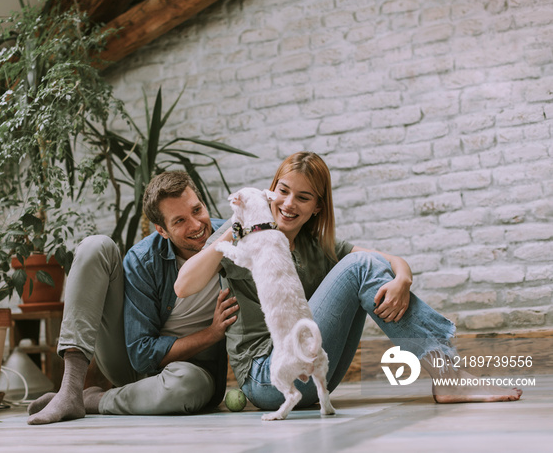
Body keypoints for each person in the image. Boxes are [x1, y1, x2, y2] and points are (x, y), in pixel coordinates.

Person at [175, 151, 522, 411]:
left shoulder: (318, 247)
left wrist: (403, 278)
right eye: (283, 191)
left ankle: (447, 374)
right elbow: (184, 286)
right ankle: (447, 374)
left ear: (317, 208)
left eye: (304, 197)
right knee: (359, 266)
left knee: (365, 266)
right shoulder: (243, 234)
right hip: (268, 378)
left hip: (316, 370)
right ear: (270, 192)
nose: (289, 203)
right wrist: (232, 233)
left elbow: (388, 260)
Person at [27, 171, 238, 424]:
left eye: (197, 210)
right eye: (179, 220)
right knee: (96, 246)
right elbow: (141, 354)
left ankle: (91, 400)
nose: (195, 225)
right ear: (162, 230)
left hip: (193, 373)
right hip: (134, 367)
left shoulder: (230, 237)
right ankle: (71, 388)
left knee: (187, 386)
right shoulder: (143, 259)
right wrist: (211, 334)